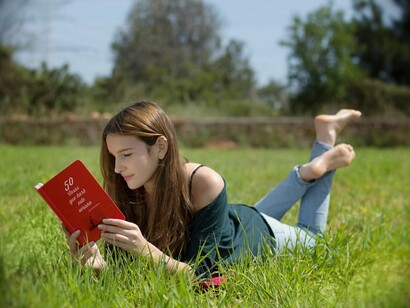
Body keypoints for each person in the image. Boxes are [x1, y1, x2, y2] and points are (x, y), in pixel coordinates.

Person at [66, 101, 361, 280]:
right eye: (113, 156)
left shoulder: (203, 181)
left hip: (259, 235)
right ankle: (308, 169)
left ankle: (322, 149)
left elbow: (204, 274)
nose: (117, 168)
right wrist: (95, 266)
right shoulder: (126, 187)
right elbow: (125, 273)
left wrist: (145, 249)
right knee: (252, 215)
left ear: (160, 147)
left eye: (126, 155)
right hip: (232, 222)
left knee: (316, 239)